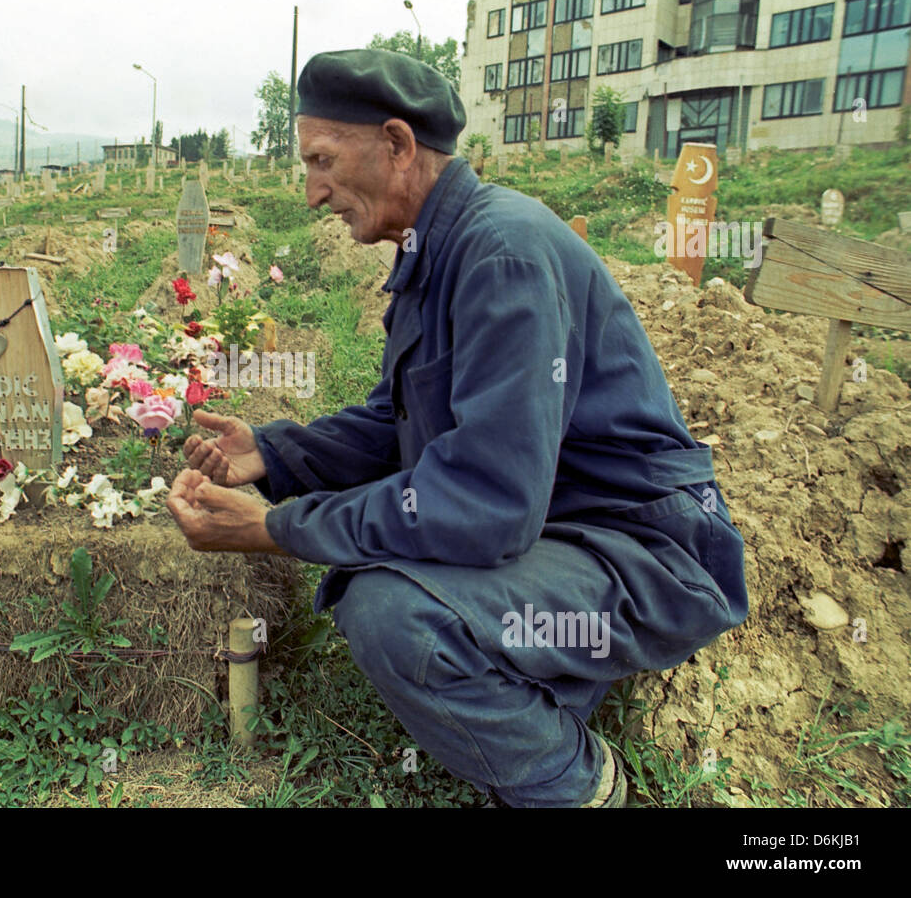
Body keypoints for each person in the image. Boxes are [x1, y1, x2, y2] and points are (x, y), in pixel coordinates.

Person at [165, 49, 748, 808]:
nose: (313, 194)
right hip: (560, 533)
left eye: (322, 160)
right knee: (396, 582)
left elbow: (487, 501)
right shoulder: (437, 248)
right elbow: (393, 422)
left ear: (399, 145)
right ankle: (553, 681)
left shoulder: (501, 254)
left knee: (394, 612)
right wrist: (272, 453)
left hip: (644, 552)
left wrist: (279, 526)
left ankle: (586, 788)